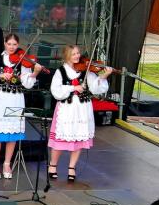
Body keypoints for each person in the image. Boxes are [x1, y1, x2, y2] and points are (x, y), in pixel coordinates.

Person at [48, 45, 112, 182]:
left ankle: (72, 167)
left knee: (79, 139)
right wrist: (73, 87)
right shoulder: (61, 71)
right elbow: (56, 90)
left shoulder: (86, 70)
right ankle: (53, 165)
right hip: (67, 108)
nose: (77, 56)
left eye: (78, 53)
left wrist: (104, 76)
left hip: (82, 108)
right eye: (73, 54)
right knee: (60, 139)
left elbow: (94, 88)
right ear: (67, 56)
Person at [0, 33, 43, 179]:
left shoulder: (23, 60)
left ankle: (7, 163)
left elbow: (27, 84)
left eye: (14, 44)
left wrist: (34, 73)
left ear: (18, 45)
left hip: (16, 99)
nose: (11, 47)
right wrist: (0, 75)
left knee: (13, 134)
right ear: (4, 43)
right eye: (9, 44)